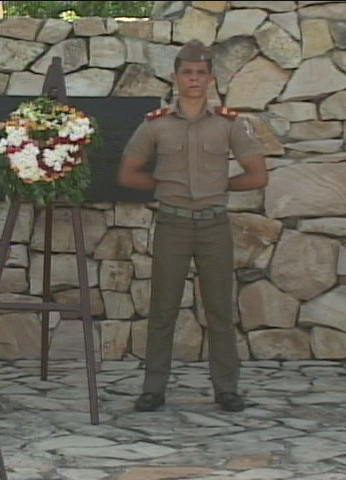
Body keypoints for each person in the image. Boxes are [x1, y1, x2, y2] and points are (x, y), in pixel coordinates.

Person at [118, 40, 268, 413]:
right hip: (173, 223)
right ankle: (153, 387)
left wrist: (221, 186)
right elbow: (128, 173)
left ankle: (226, 388)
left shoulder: (229, 125)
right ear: (176, 77)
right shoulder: (156, 125)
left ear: (211, 78)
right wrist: (165, 187)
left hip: (214, 225)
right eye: (188, 72)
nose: (194, 79)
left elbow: (257, 175)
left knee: (219, 308)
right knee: (163, 308)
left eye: (201, 73)